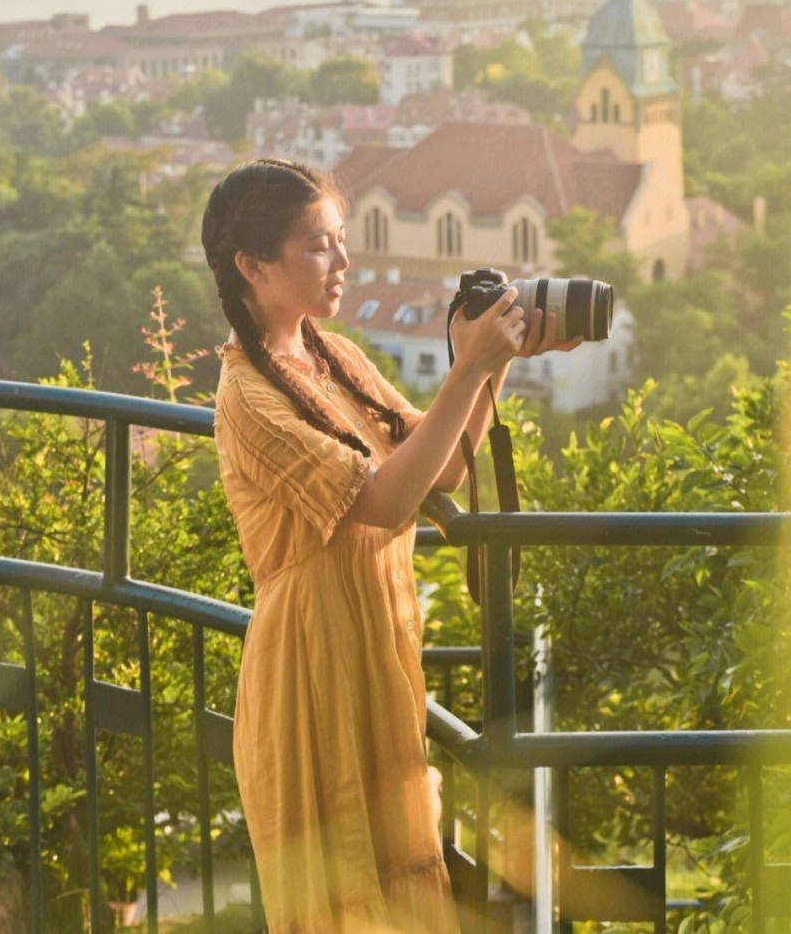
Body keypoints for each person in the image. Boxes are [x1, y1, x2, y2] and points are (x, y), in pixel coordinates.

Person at [202, 158, 580, 933]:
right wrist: (468, 365)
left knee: (403, 890)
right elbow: (382, 501)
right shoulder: (246, 396)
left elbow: (439, 466)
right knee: (341, 905)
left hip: (375, 654)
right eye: (320, 246)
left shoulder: (336, 358)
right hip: (308, 674)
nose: (344, 262)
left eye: (341, 241)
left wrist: (492, 366)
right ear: (252, 264)